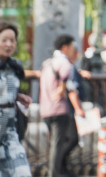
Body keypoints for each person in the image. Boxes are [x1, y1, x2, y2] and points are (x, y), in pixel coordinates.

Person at [0, 22, 32, 177]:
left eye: (12, 40)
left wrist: (17, 96)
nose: (9, 44)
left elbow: (5, 89)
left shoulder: (15, 67)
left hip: (9, 129)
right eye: (4, 40)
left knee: (22, 171)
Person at [39, 34, 84, 177]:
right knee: (58, 144)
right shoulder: (64, 63)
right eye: (71, 47)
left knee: (56, 142)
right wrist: (62, 88)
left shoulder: (47, 63)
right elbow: (69, 84)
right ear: (65, 48)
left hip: (45, 108)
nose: (73, 50)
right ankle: (54, 172)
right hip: (59, 108)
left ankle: (58, 170)